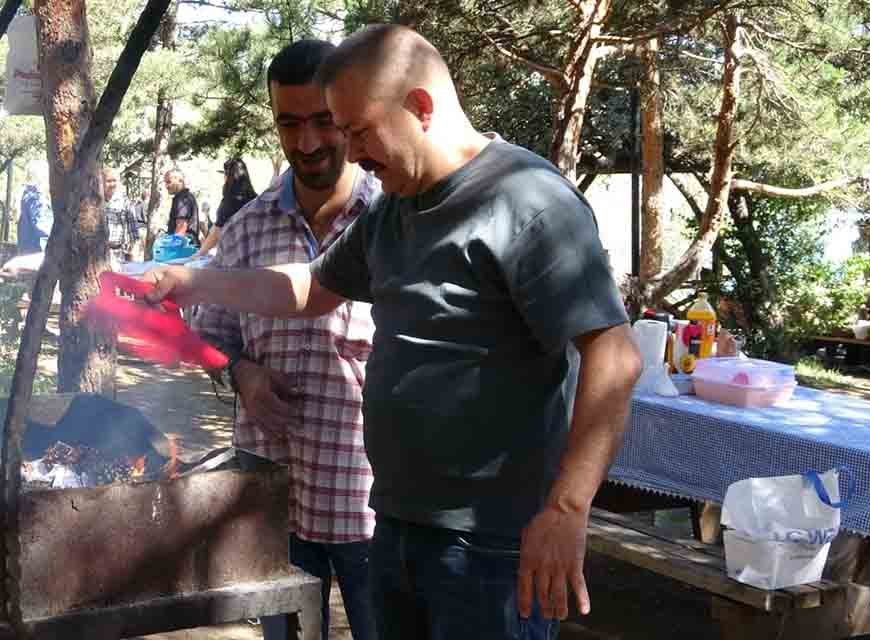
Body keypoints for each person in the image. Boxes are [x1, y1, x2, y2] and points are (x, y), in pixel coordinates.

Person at [144, 24, 642, 640]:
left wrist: (568, 509)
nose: (349, 153)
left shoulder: (529, 200)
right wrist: (195, 283)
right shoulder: (397, 211)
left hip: (488, 545)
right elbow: (309, 289)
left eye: (357, 131)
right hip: (397, 525)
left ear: (420, 106)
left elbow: (615, 357)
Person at [191, 39, 380, 640]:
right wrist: (241, 371)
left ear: (348, 114)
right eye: (289, 124)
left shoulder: (393, 222)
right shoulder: (246, 231)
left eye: (324, 122)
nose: (307, 144)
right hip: (274, 499)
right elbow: (211, 337)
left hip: (372, 502)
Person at [195, 157, 258, 257]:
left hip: (233, 256)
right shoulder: (255, 198)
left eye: (224, 174)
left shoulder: (230, 201)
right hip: (253, 253)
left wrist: (197, 255)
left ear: (228, 176)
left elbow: (216, 233)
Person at [103, 167, 144, 262]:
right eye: (108, 181)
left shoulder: (124, 201)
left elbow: (133, 228)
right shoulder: (96, 200)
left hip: (118, 252)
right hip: (99, 253)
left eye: (114, 181)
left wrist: (132, 252)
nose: (112, 184)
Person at [163, 168, 200, 246]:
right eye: (165, 183)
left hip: (183, 249)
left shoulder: (183, 198)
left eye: (169, 182)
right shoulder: (184, 197)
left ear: (180, 181)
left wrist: (172, 247)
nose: (166, 186)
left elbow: (181, 226)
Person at [16, 183, 52, 255]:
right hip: (35, 256)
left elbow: (44, 232)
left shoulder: (32, 201)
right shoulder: (34, 201)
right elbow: (44, 233)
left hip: (33, 256)